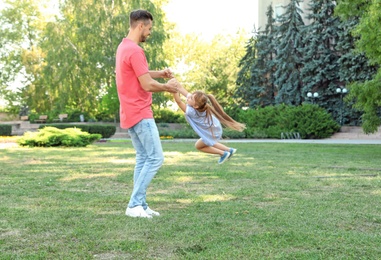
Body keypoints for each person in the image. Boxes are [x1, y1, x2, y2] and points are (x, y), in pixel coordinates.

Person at [115, 9, 178, 218]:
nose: (149, 33)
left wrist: (159, 73)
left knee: (143, 158)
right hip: (140, 112)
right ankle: (134, 204)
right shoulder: (135, 50)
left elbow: (139, 72)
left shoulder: (124, 47)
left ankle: (139, 204)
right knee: (156, 158)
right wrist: (169, 87)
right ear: (140, 26)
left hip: (129, 111)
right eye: (149, 28)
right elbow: (148, 84)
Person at [172, 82, 246, 164]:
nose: (188, 97)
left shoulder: (192, 112)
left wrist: (174, 92)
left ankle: (223, 153)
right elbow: (182, 89)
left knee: (199, 146)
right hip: (214, 129)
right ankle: (229, 150)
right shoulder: (200, 105)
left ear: (196, 105)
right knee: (210, 143)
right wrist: (174, 82)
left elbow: (179, 102)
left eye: (191, 98)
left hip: (211, 132)